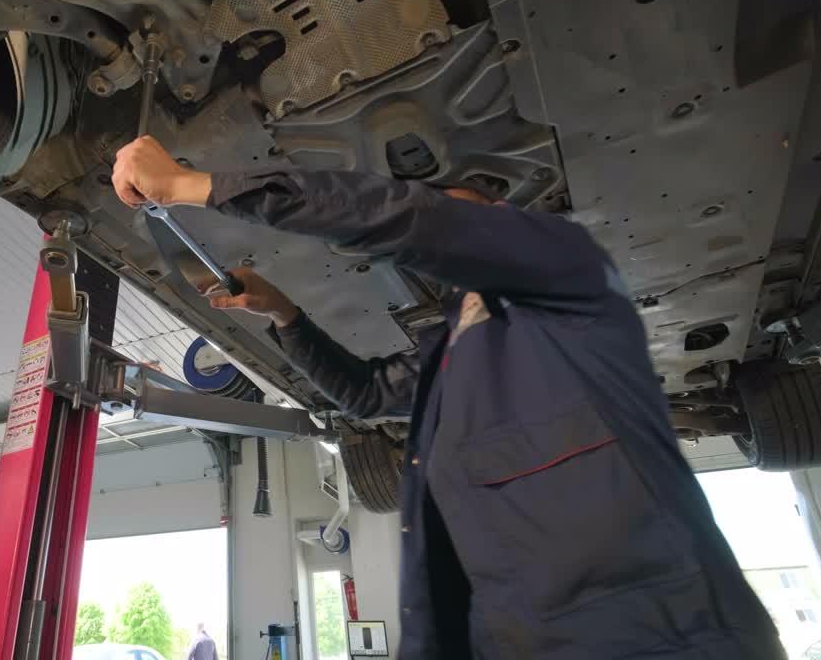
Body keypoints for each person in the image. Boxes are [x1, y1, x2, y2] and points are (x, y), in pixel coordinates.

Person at [111, 136, 784, 659]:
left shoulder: (572, 285)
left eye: (462, 218)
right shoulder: (448, 354)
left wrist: (195, 185)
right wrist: (284, 311)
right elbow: (366, 394)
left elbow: (420, 224)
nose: (445, 238)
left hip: (655, 640)